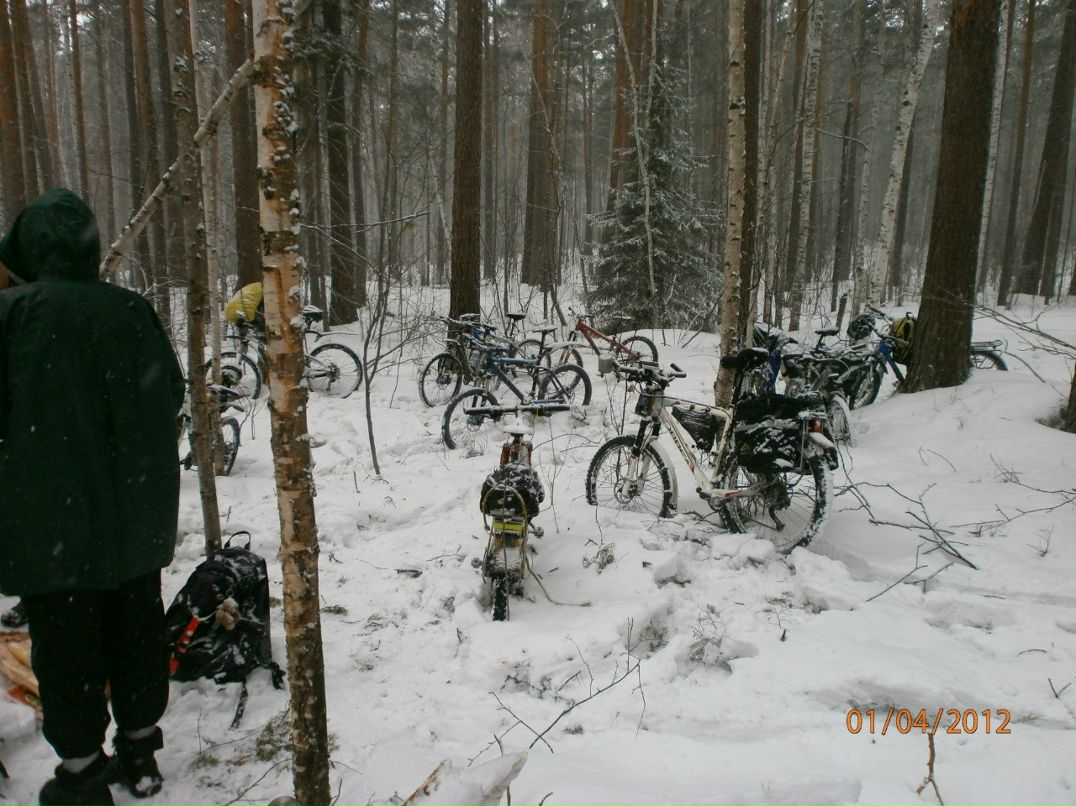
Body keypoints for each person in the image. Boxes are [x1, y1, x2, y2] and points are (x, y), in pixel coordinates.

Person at [0, 190, 185, 806]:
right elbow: (169, 393)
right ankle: (140, 750)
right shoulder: (130, 310)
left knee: (67, 649)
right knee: (136, 633)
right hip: (132, 518)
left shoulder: (13, 316)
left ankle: (82, 774)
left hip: (52, 525)